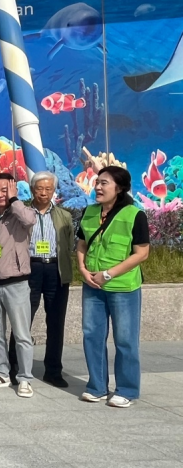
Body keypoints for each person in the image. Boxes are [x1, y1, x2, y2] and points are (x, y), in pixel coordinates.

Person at [76, 166, 149, 407]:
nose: (97, 187)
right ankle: (96, 387)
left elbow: (142, 253)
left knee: (125, 340)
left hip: (123, 287)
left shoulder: (135, 215)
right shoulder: (89, 212)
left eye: (104, 183)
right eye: (97, 182)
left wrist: (108, 274)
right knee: (92, 336)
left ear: (119, 188)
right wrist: (83, 269)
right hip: (92, 285)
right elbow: (82, 243)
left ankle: (126, 390)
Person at [0, 173, 38, 398]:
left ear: (13, 189)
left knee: (21, 334)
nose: (0, 195)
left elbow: (30, 221)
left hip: (16, 283)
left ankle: (25, 378)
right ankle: (1, 373)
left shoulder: (21, 213)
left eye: (5, 190)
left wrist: (14, 200)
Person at [27, 171, 73, 388]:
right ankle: (15, 366)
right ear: (32, 189)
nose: (44, 193)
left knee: (56, 322)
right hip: (31, 268)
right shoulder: (23, 212)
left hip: (56, 270)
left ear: (54, 191)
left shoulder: (64, 216)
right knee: (23, 320)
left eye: (48, 189)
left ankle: (53, 371)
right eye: (39, 188)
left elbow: (68, 244)